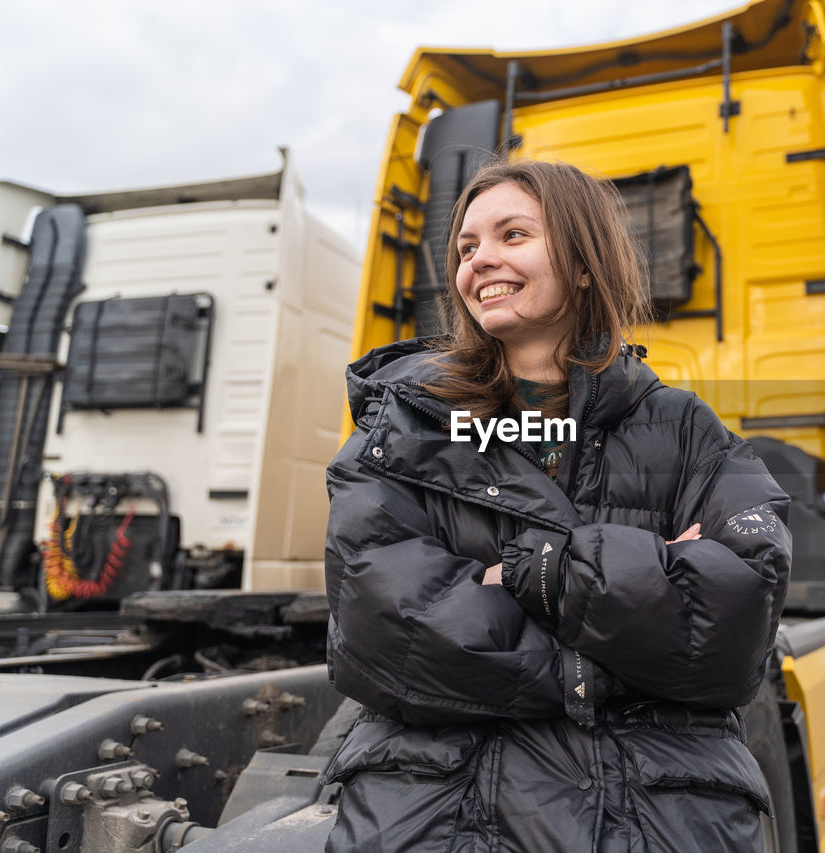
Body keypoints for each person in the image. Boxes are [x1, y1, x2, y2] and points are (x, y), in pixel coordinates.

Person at [321, 158, 791, 852]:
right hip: (440, 819)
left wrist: (529, 571)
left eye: (513, 235)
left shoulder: (687, 428)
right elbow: (383, 630)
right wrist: (645, 599)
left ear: (580, 262)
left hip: (656, 820)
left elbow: (736, 623)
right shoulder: (401, 426)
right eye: (467, 247)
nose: (482, 260)